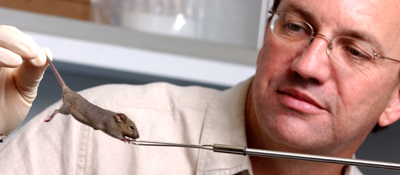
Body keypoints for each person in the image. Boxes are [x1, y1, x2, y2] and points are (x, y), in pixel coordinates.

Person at [1, 0, 400, 174]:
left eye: (357, 52)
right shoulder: (88, 143)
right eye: (296, 27)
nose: (308, 64)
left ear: (395, 100)